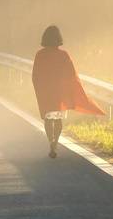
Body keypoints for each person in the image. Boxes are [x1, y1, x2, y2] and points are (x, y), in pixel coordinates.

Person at [31, 25, 105, 158]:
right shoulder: (63, 55)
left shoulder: (40, 54)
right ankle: (56, 142)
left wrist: (38, 89)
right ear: (58, 38)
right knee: (58, 119)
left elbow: (35, 75)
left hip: (46, 91)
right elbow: (71, 74)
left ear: (45, 38)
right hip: (58, 92)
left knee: (48, 118)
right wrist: (71, 90)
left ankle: (50, 141)